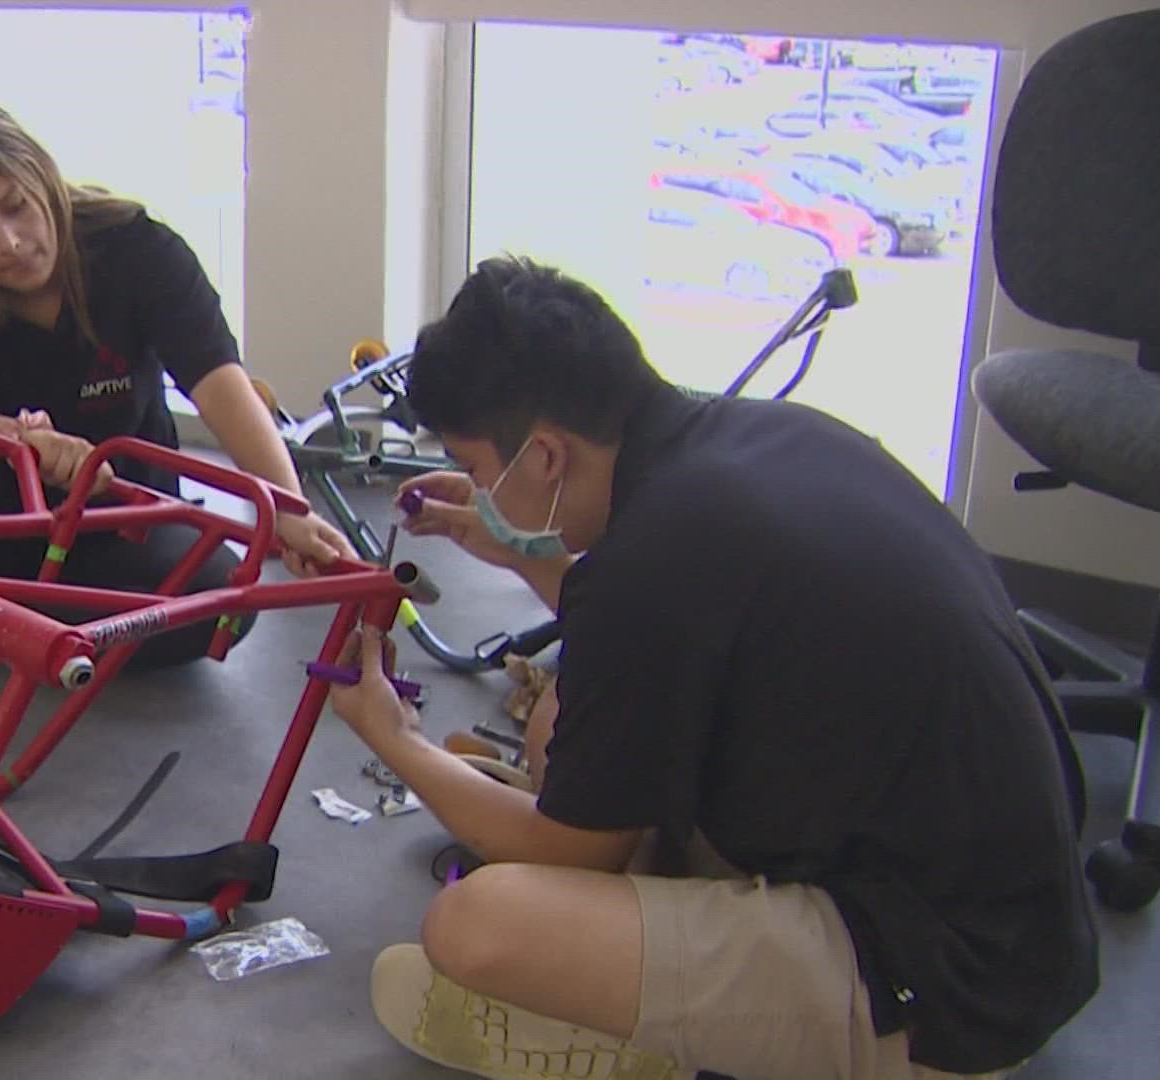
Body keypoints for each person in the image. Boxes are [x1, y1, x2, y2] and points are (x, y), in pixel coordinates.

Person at [326, 257, 1098, 1080]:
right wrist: (510, 541)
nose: (480, 495)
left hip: (943, 991)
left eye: (481, 473)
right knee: (560, 725)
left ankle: (660, 1050)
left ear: (545, 455)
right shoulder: (754, 443)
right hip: (1014, 919)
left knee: (475, 924)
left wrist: (397, 737)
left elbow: (566, 857)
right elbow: (650, 628)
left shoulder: (651, 564)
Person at [0, 99, 356, 753]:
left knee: (216, 608)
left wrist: (286, 508)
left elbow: (219, 384)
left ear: (42, 178)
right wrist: (15, 439)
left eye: (15, 206)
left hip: (114, 523)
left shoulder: (138, 251)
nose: (8, 243)